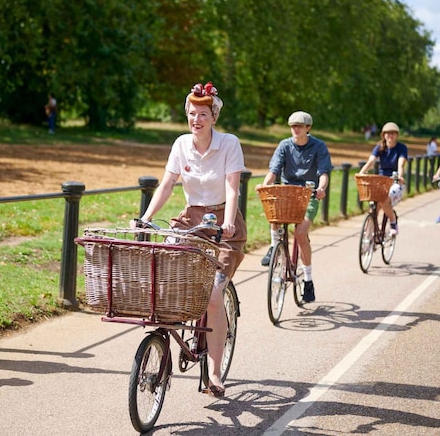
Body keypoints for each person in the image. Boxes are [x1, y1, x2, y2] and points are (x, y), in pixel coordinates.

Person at [137, 81, 246, 398]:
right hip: (191, 220)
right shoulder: (181, 144)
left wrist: (226, 222)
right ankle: (172, 332)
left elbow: (232, 187)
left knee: (213, 296)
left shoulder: (228, 144)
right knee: (167, 273)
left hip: (224, 224)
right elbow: (168, 184)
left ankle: (214, 373)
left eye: (202, 114)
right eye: (191, 113)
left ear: (214, 117)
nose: (196, 119)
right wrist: (145, 216)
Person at [258, 111, 332, 303]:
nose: (295, 129)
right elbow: (273, 171)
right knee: (274, 212)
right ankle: (274, 247)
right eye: (292, 126)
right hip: (288, 193)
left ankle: (308, 280)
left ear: (308, 128)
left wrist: (321, 188)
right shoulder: (284, 145)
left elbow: (324, 173)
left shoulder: (319, 146)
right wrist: (266, 185)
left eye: (299, 126)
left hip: (309, 195)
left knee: (300, 233)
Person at [358, 122, 408, 235]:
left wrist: (400, 176)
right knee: (374, 207)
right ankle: (371, 232)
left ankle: (393, 222)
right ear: (383, 135)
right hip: (381, 180)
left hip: (395, 181)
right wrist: (361, 172)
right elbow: (371, 161)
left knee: (384, 200)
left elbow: (401, 164)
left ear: (397, 135)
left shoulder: (401, 148)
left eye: (393, 134)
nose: (390, 136)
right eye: (388, 134)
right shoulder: (380, 147)